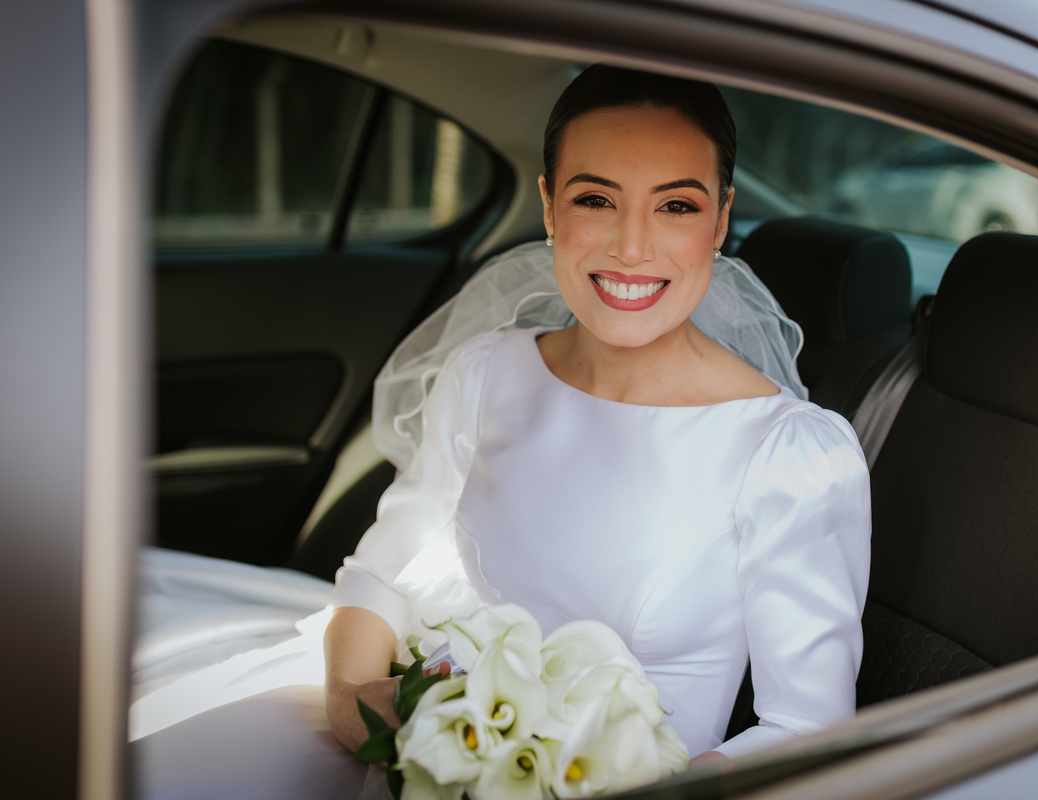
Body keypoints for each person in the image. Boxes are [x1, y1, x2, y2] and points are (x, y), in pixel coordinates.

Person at [131, 65, 869, 799]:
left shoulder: (791, 454)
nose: (632, 247)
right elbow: (383, 574)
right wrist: (355, 700)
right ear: (549, 206)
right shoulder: (486, 373)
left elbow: (806, 730)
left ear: (720, 218)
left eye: (675, 205)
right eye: (595, 199)